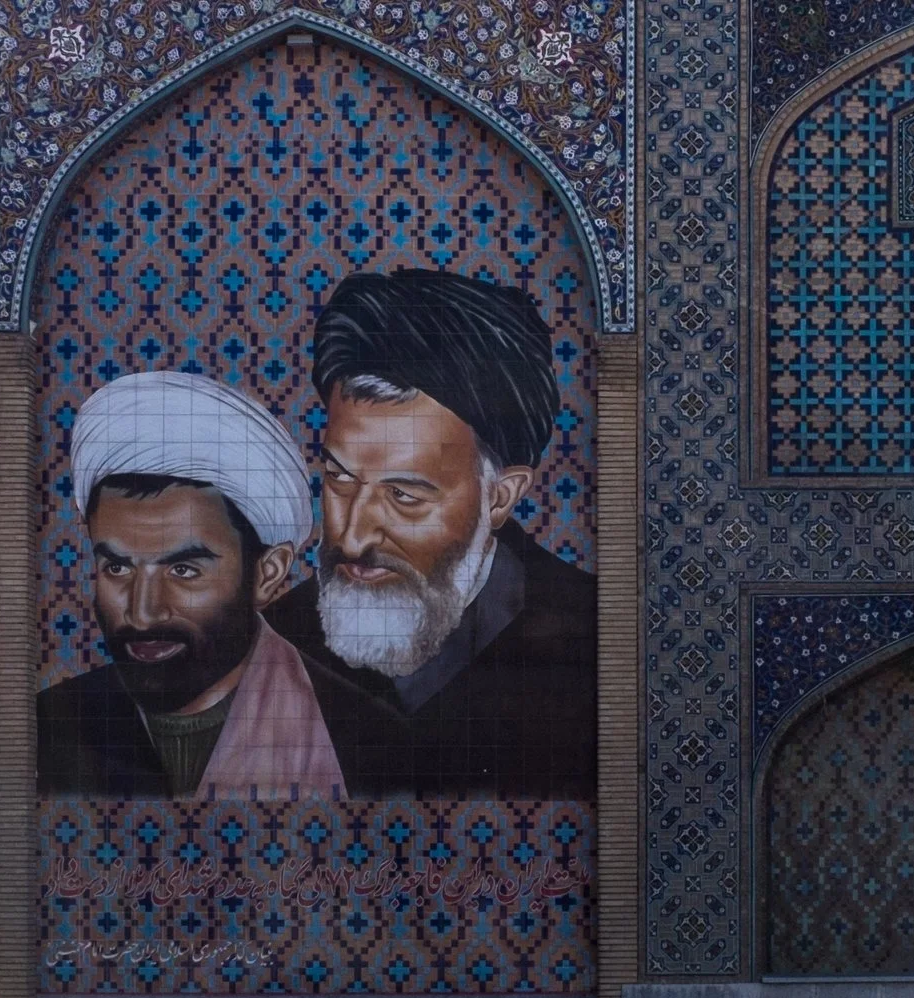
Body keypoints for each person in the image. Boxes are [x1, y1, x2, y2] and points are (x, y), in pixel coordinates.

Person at [264, 268, 598, 799]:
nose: (352, 537)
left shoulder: (598, 651)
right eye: (339, 480)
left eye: (405, 496)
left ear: (500, 496)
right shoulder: (269, 649)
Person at [37, 372, 400, 799]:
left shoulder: (366, 739)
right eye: (118, 568)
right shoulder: (51, 724)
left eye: (183, 571)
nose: (143, 611)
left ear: (268, 574)